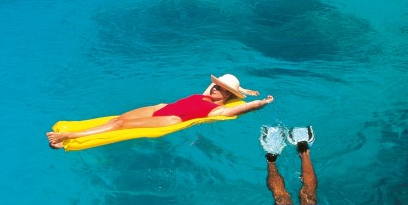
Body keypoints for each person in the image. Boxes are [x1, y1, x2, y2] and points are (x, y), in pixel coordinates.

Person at [47, 74, 274, 149]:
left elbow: (241, 108)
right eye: (216, 85)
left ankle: (69, 136)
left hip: (171, 119)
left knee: (119, 126)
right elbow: (222, 86)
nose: (215, 88)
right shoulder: (206, 93)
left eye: (222, 89)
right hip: (160, 108)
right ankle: (80, 130)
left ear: (227, 97)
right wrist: (242, 89)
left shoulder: (218, 110)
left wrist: (259, 103)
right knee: (117, 118)